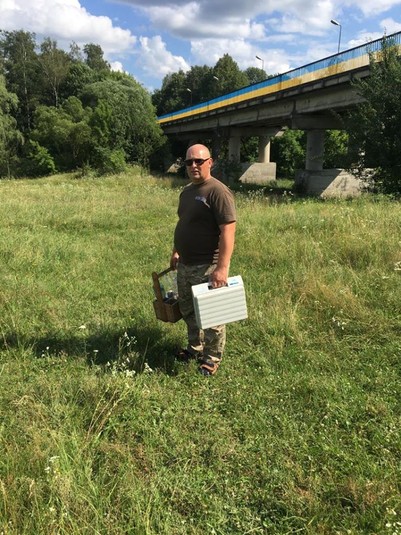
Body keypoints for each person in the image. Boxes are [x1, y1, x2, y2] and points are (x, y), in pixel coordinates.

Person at [170, 143, 236, 376]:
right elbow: (184, 223)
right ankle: (194, 347)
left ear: (210, 162)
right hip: (185, 263)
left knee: (212, 315)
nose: (194, 165)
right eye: (189, 162)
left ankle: (211, 358)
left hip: (208, 265)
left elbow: (228, 230)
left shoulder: (218, 191)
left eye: (199, 161)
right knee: (187, 309)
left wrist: (222, 268)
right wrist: (176, 251)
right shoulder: (187, 191)